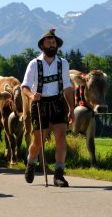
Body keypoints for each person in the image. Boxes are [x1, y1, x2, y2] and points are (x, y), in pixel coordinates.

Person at [21, 29, 75, 187]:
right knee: (38, 142)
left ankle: (58, 175)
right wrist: (31, 96)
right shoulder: (34, 64)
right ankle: (31, 163)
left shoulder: (63, 63)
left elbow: (67, 86)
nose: (52, 45)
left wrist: (71, 108)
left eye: (54, 43)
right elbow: (24, 86)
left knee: (61, 138)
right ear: (42, 45)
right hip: (40, 104)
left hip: (58, 104)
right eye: (49, 42)